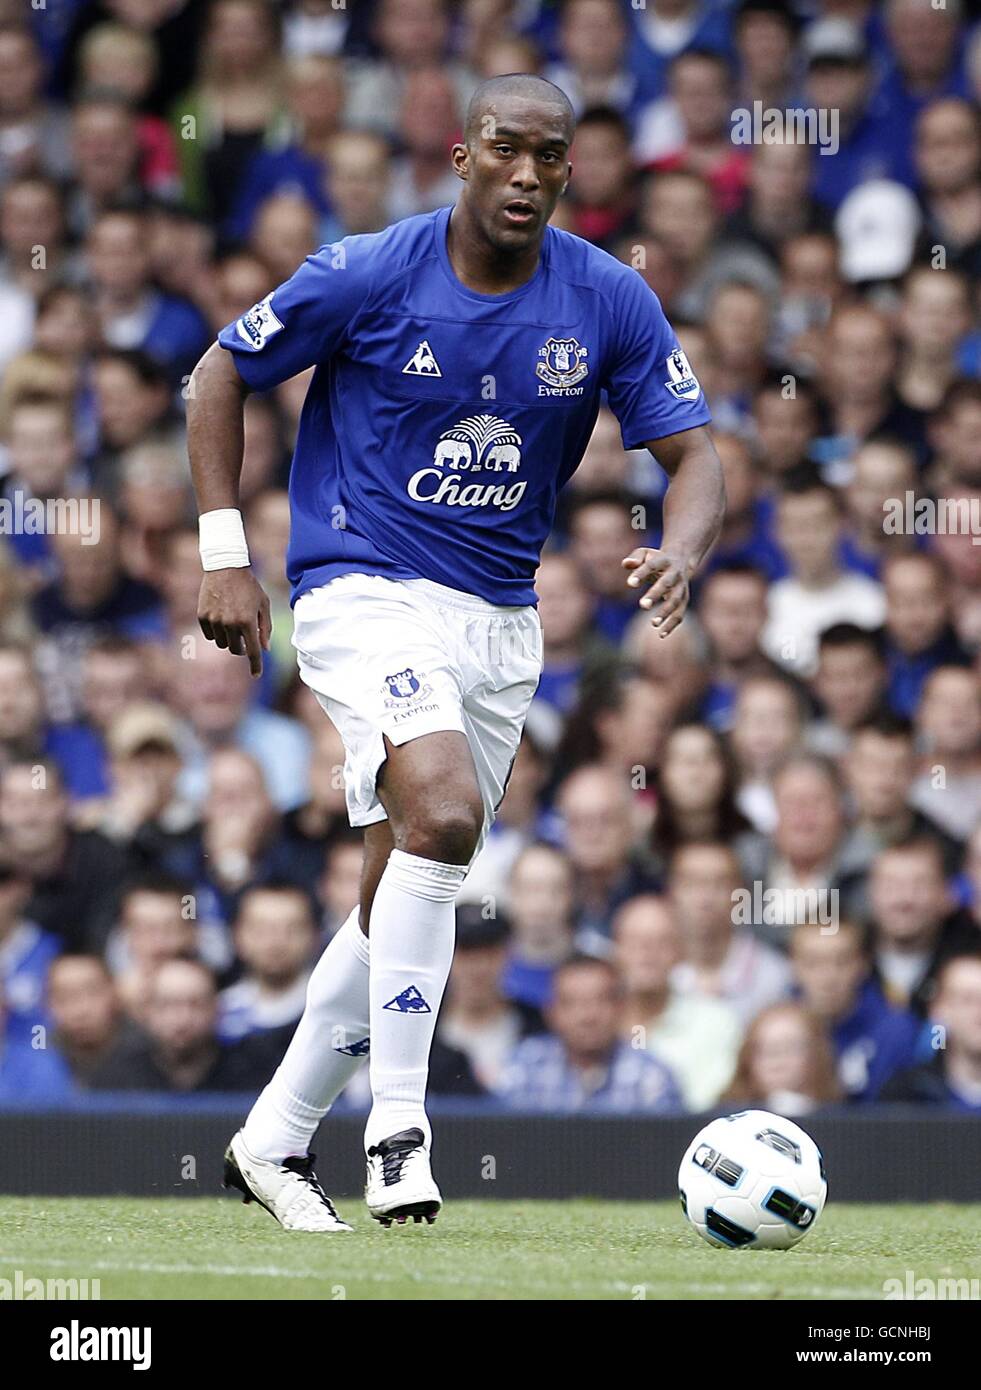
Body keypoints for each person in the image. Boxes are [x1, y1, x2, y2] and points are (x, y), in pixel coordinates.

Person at [187, 72, 724, 1231]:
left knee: (400, 890)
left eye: (551, 156)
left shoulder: (608, 300)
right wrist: (225, 550)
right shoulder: (370, 269)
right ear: (462, 154)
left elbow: (698, 456)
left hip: (499, 621)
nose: (528, 174)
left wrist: (681, 549)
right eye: (506, 149)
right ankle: (399, 1126)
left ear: (569, 169)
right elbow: (222, 367)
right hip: (359, 585)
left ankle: (273, 1140)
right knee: (438, 817)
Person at [496, 954, 683, 1113]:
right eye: (573, 1003)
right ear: (551, 1012)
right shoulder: (524, 1067)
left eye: (600, 1001)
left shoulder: (650, 1076)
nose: (588, 1016)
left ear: (621, 1006)